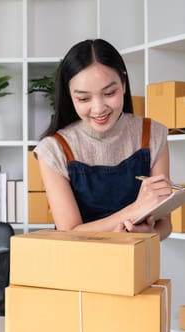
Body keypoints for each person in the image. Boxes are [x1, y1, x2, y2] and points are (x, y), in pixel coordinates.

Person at [33, 38, 173, 240]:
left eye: (109, 93)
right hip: (77, 267)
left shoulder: (153, 134)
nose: (99, 109)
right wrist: (133, 211)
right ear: (69, 95)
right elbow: (69, 232)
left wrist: (150, 232)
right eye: (83, 99)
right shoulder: (54, 149)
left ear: (123, 84)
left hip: (136, 264)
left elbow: (165, 226)